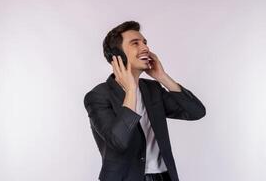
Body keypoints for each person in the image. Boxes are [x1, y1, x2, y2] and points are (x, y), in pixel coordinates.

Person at [83, 21, 206, 181]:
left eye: (145, 43)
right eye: (135, 43)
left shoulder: (152, 89)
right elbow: (118, 142)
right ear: (118, 56)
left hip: (164, 177)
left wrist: (163, 77)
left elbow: (196, 112)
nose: (145, 48)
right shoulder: (98, 96)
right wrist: (131, 90)